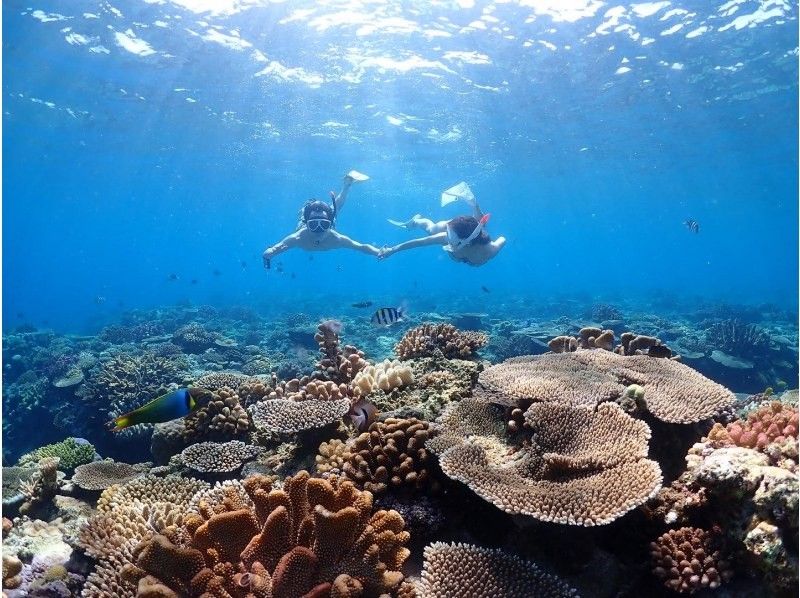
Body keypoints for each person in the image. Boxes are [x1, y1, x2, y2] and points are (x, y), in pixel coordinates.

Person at [262, 171, 379, 268]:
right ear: (307, 224)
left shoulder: (337, 238)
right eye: (313, 225)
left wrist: (378, 252)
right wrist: (270, 253)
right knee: (330, 209)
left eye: (323, 224)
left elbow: (361, 246)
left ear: (329, 223)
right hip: (305, 219)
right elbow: (277, 248)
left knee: (335, 208)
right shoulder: (298, 237)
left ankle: (346, 185)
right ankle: (342, 188)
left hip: (325, 218)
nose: (319, 230)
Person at [380, 182, 506, 266]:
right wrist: (392, 250)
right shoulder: (446, 237)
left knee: (479, 226)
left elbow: (502, 239)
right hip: (461, 227)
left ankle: (473, 204)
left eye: (449, 236)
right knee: (431, 229)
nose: (446, 235)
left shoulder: (489, 250)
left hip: (467, 231)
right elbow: (419, 242)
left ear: (464, 242)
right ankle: (415, 221)